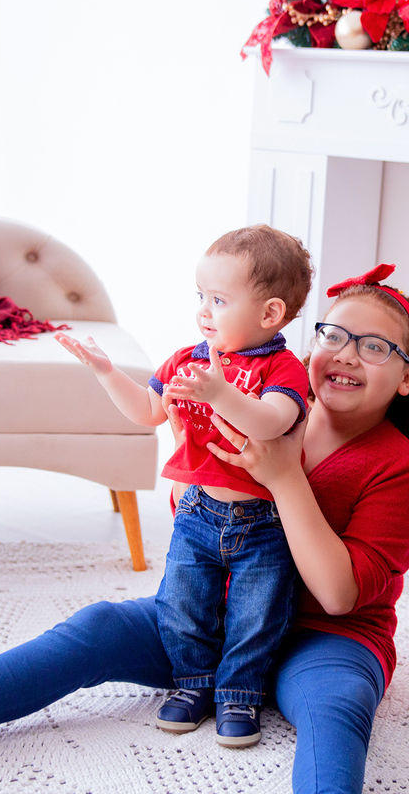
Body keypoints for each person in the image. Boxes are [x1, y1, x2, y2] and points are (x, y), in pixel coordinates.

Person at [0, 262, 409, 794]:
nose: (347, 353)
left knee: (335, 710)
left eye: (374, 347)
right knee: (96, 630)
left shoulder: (400, 471)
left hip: (324, 638)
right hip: (217, 616)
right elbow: (198, 515)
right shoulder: (265, 403)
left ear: (406, 378)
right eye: (335, 335)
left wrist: (285, 478)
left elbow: (340, 595)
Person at [55, 224, 314, 747]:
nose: (203, 310)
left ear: (270, 314)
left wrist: (221, 394)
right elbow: (148, 412)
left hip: (262, 523)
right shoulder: (188, 360)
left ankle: (239, 692)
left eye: (219, 299)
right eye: (200, 296)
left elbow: (271, 422)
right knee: (182, 601)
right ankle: (193, 683)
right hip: (197, 512)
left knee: (256, 612)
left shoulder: (285, 369)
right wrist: (107, 372)